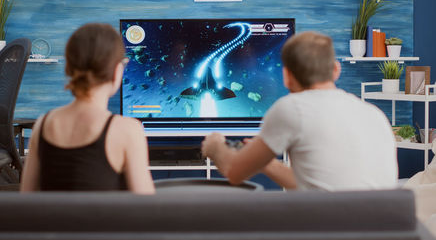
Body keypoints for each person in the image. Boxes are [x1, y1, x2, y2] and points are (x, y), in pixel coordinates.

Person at [202, 31, 398, 191]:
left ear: (286, 76)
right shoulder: (374, 114)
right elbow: (319, 186)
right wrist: (264, 162)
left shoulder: (291, 108)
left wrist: (214, 146)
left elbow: (234, 172)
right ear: (336, 70)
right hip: (384, 229)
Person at [20, 23, 155, 194]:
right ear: (116, 71)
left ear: (69, 68)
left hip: (52, 221)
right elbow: (148, 209)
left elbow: (27, 199)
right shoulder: (128, 130)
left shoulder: (43, 125)